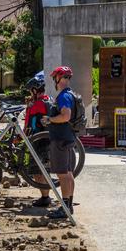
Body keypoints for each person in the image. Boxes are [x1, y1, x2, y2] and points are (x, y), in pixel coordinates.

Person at [40, 66, 77, 219]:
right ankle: (68, 206)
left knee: (62, 174)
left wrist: (49, 119)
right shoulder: (70, 94)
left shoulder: (63, 96)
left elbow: (66, 116)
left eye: (55, 77)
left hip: (60, 139)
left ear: (58, 78)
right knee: (68, 173)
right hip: (67, 137)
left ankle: (64, 208)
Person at [25, 75, 55, 208]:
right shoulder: (48, 100)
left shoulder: (37, 104)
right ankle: (46, 195)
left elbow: (28, 124)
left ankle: (45, 198)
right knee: (45, 169)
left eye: (30, 91)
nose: (30, 94)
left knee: (38, 171)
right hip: (49, 139)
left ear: (35, 90)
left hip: (39, 140)